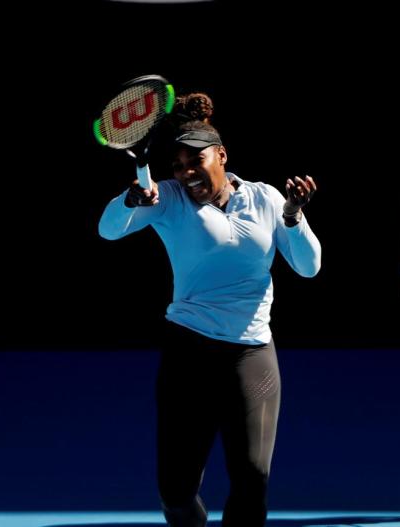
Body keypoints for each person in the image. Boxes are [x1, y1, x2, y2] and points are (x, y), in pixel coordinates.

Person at [98, 93, 321, 527]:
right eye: (178, 165)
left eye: (195, 161)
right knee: (176, 490)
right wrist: (130, 200)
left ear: (221, 155)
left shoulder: (266, 197)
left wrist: (293, 217)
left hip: (251, 354)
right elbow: (108, 231)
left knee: (252, 481)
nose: (186, 172)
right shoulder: (167, 198)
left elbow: (309, 267)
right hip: (189, 354)